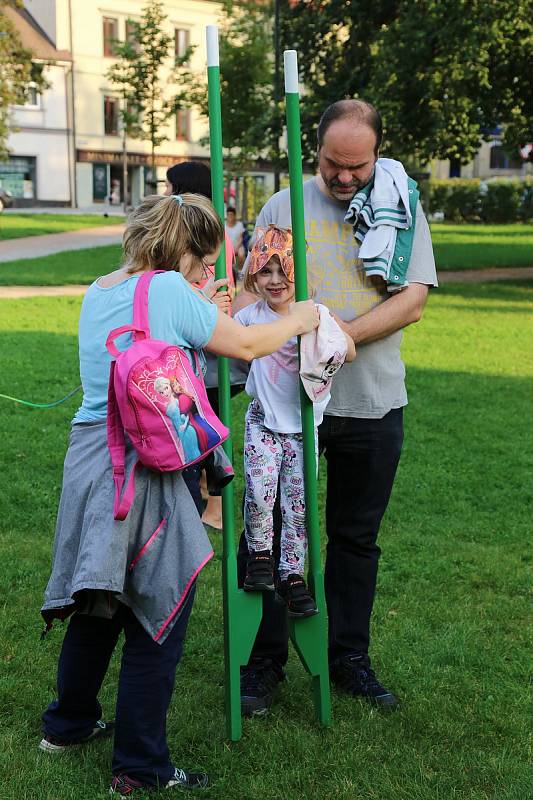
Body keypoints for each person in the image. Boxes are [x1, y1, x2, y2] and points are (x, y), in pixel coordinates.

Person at [39, 192, 319, 796]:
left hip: (92, 461)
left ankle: (67, 724)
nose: (209, 274)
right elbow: (245, 346)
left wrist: (199, 305)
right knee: (157, 612)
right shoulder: (168, 291)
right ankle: (140, 766)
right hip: (150, 468)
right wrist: (304, 318)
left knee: (100, 598)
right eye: (206, 262)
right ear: (186, 251)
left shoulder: (99, 289)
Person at [238, 99, 438, 717]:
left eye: (358, 165)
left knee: (355, 538)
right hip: (288, 409)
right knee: (269, 531)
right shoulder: (282, 205)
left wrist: (339, 336)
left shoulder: (400, 205)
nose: (345, 177)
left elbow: (412, 300)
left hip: (370, 403)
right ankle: (263, 664)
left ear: (378, 152)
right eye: (333, 164)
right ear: (314, 150)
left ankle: (349, 657)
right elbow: (253, 287)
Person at [236, 225, 355, 617]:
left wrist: (327, 336)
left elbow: (350, 351)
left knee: (298, 507)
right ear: (254, 273)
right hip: (264, 423)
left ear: (299, 272)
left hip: (304, 430)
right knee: (259, 491)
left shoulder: (315, 314)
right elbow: (229, 342)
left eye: (283, 270)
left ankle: (292, 575)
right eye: (265, 271)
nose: (275, 280)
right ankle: (260, 558)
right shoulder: (251, 317)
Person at [164, 161, 247, 527]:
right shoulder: (214, 233)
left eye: (170, 188)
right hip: (203, 338)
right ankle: (206, 502)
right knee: (203, 426)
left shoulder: (205, 236)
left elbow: (211, 284)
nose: (165, 195)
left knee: (203, 430)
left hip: (202, 346)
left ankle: (213, 508)